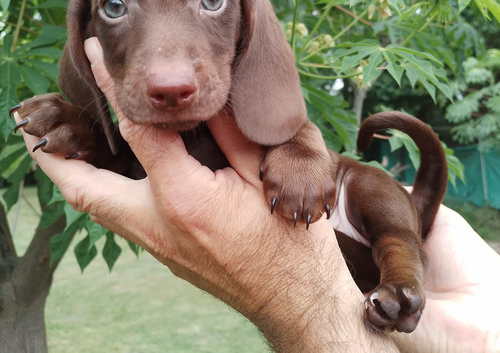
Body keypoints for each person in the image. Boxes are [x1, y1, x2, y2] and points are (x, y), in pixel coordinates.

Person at [15, 37, 500, 352]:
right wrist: (82, 125)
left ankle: (403, 281)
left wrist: (302, 147)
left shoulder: (246, 91)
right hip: (361, 283)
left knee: (385, 215)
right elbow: (130, 162)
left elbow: (290, 127)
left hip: (348, 197)